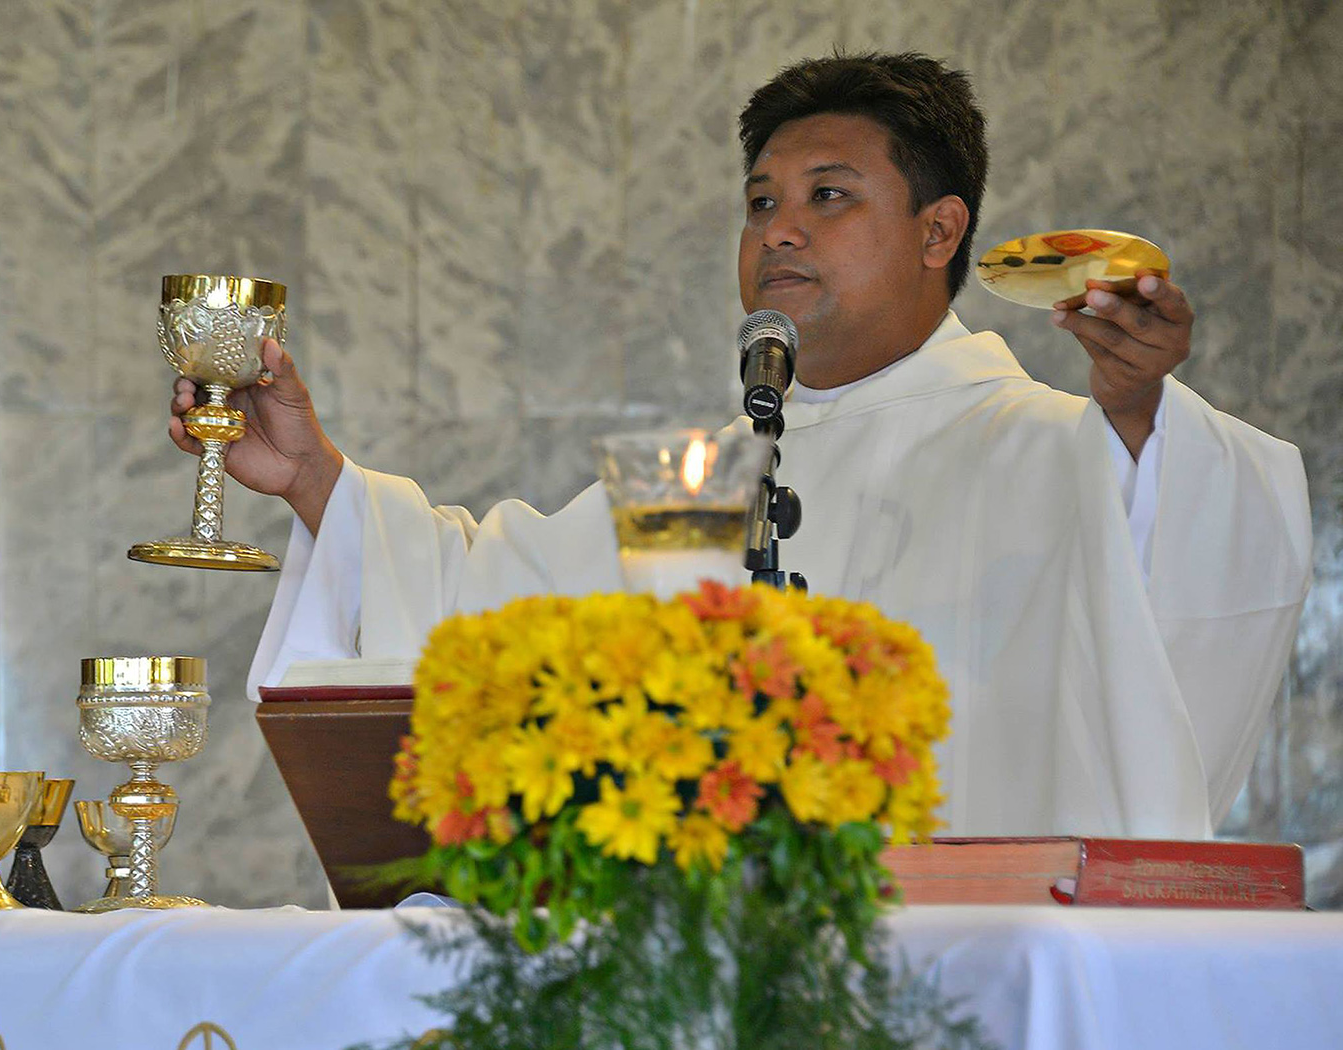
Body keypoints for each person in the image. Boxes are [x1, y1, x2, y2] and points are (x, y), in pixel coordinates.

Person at [169, 53, 1311, 840]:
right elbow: (496, 605)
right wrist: (317, 480)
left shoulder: (1057, 450)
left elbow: (1202, 558)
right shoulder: (709, 482)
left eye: (828, 195)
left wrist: (1137, 409)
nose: (781, 231)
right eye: (761, 202)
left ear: (940, 231)